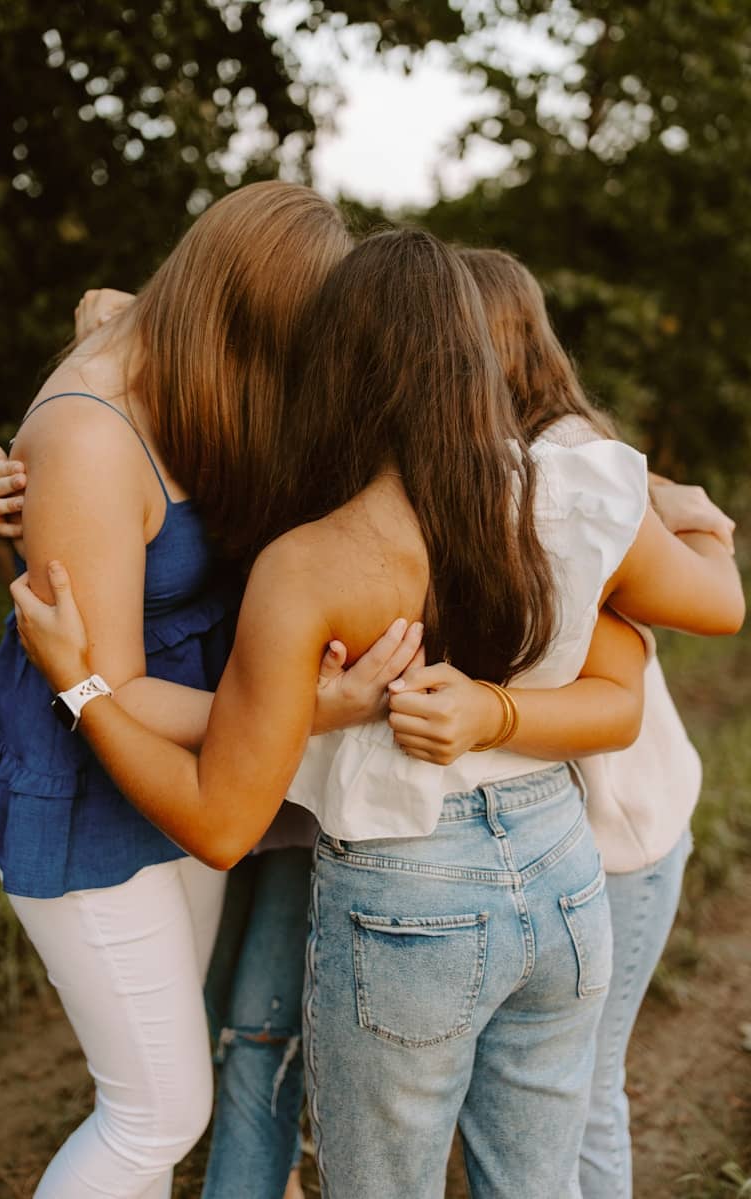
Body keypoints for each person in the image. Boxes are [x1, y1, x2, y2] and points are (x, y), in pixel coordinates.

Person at [9, 229, 744, 1198]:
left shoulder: (311, 564)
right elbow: (657, 651)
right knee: (535, 1179)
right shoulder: (583, 489)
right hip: (562, 871)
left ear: (334, 371)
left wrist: (81, 684)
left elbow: (222, 824)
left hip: (412, 888)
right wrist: (701, 518)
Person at [0, 179, 369, 1199]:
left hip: (184, 756)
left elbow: (108, 302)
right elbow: (107, 681)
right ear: (240, 315)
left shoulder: (171, 349)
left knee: (156, 1061)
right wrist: (298, 712)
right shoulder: (93, 432)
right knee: (156, 1109)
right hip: (91, 768)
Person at [385, 246, 737, 1198]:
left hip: (614, 831)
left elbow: (711, 604)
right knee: (542, 1097)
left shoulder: (573, 459)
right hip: (544, 833)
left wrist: (700, 518)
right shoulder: (465, 465)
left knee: (581, 1094)